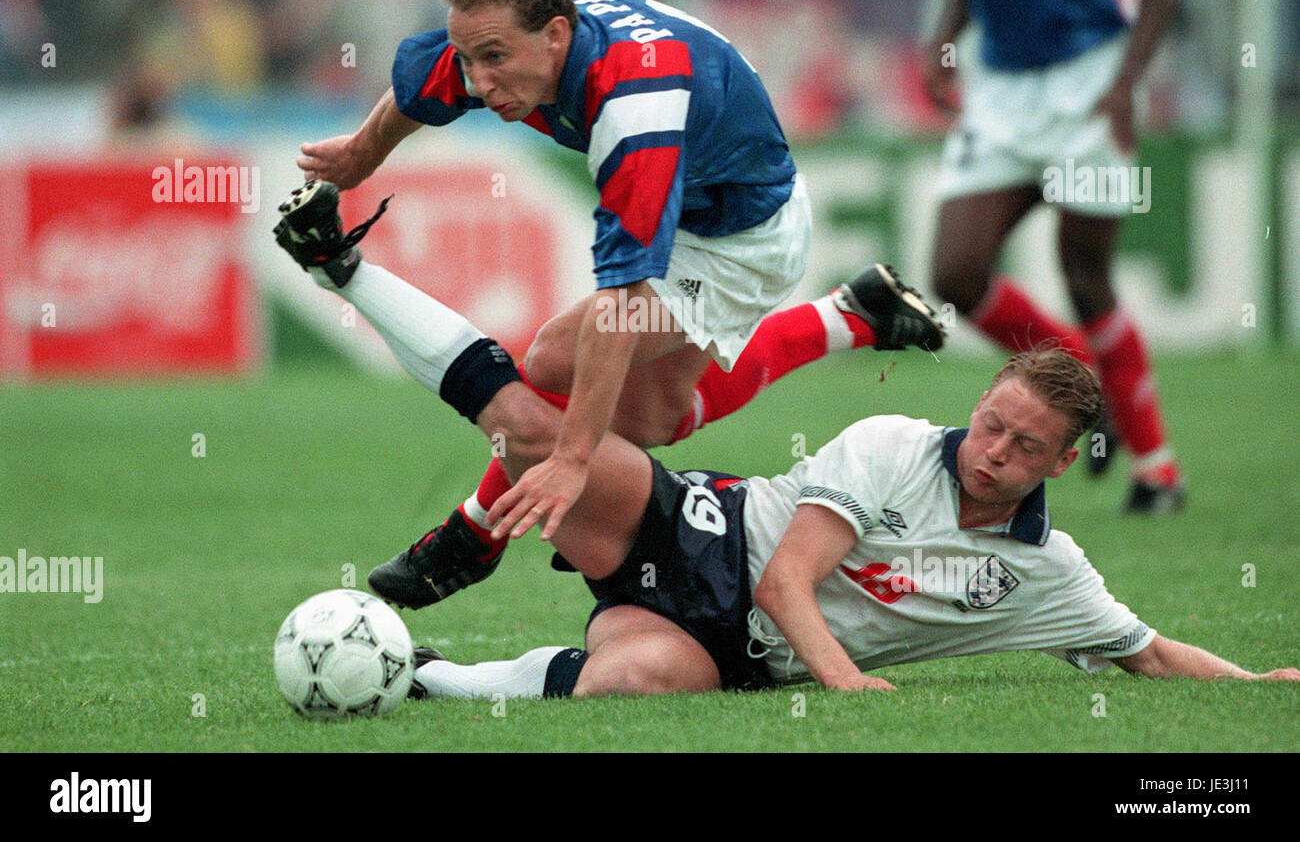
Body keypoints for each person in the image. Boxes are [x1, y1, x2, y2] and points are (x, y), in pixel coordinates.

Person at [269, 202, 1297, 697]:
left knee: (626, 687)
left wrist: (1254, 687)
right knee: (535, 414)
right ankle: (344, 266)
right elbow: (784, 582)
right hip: (690, 529)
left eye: (1022, 446)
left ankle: (421, 678)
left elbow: (1146, 650)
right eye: (990, 421)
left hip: (728, 652)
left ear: (1060, 465)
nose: (989, 451)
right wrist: (847, 682)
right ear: (978, 400)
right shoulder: (897, 443)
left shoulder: (1045, 571)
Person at [284, 0, 944, 604]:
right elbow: (427, 84)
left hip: (741, 241)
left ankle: (476, 530)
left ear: (556, 36)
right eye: (470, 58)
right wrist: (360, 156)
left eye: (493, 59)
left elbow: (621, 307)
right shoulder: (509, 45)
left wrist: (572, 461)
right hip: (701, 201)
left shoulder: (636, 110)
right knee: (652, 416)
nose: (479, 81)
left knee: (552, 361)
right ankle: (851, 315)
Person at [918, 0, 1184, 513]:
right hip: (1001, 97)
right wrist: (942, 45)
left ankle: (1157, 473)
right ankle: (1083, 379)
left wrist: (1126, 87)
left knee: (1085, 275)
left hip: (1092, 85)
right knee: (955, 274)